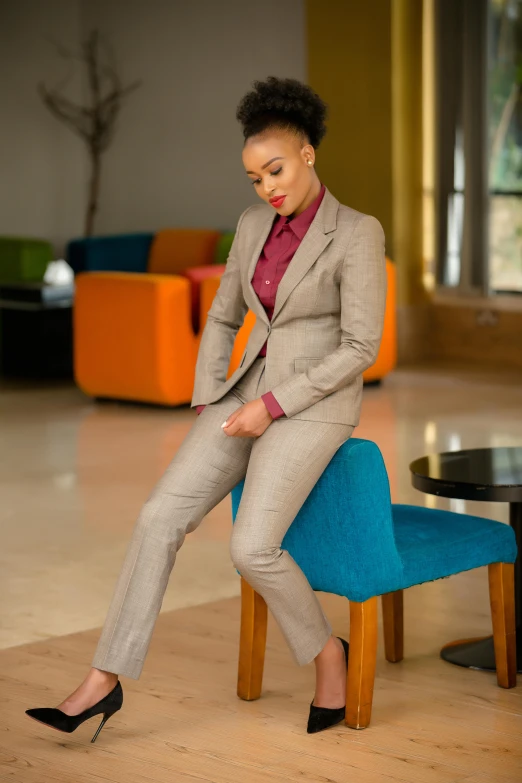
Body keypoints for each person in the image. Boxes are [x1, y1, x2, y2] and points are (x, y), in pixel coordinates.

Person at [25, 76, 386, 740]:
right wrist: (209, 395)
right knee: (158, 515)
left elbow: (361, 345)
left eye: (274, 169)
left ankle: (326, 652)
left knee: (251, 547)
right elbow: (222, 318)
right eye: (253, 177)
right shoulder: (252, 227)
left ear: (307, 153)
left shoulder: (357, 232)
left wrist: (273, 404)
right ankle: (104, 680)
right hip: (242, 394)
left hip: (316, 404)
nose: (266, 187)